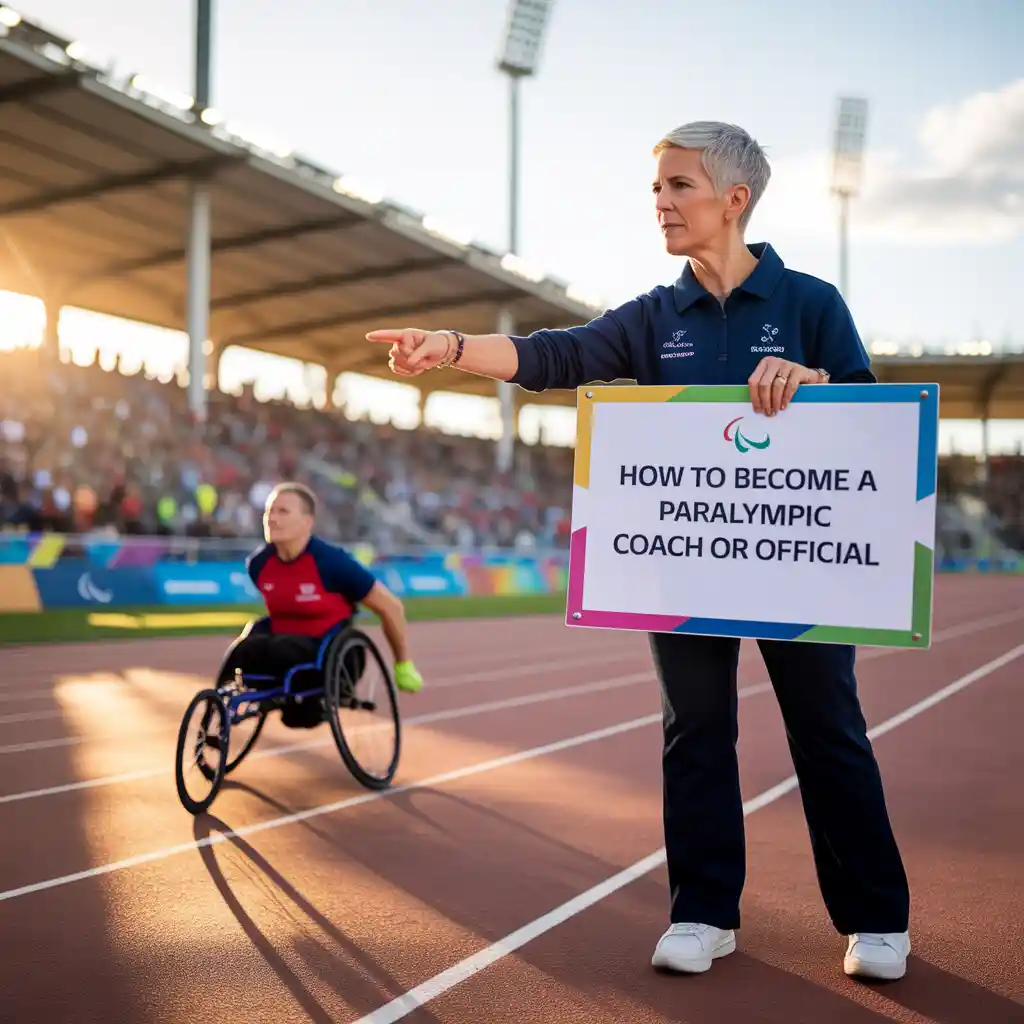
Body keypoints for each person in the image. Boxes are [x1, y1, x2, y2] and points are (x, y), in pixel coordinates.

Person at [364, 121, 911, 982]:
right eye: (656, 188)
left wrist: (816, 384)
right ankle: (703, 912)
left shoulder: (811, 305)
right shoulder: (656, 315)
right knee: (694, 730)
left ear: (734, 199)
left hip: (799, 560)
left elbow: (875, 423)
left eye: (678, 186)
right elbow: (556, 356)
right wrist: (455, 348)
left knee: (828, 729)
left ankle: (876, 917)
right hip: (688, 557)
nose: (660, 202)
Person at [224, 481, 423, 728]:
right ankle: (217, 706)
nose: (272, 519)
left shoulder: (332, 563)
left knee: (286, 666)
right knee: (243, 645)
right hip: (281, 641)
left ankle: (306, 701)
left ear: (307, 522)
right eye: (268, 512)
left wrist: (403, 663)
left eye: (282, 512)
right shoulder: (258, 565)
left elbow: (391, 607)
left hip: (329, 651)